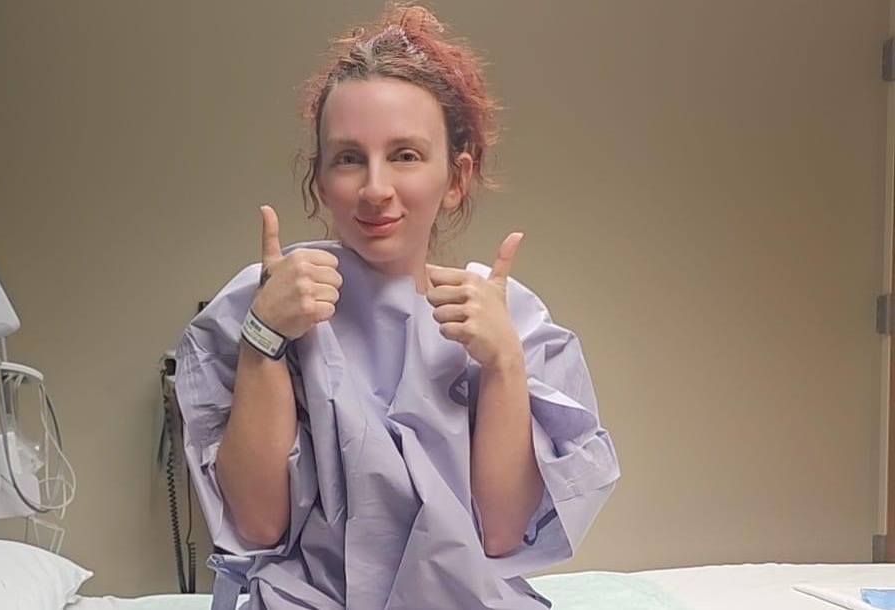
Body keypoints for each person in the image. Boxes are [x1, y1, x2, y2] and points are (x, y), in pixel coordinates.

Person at [172, 5, 619, 609]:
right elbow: (256, 527)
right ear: (321, 179)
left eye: (405, 155)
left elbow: (501, 533)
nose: (376, 189)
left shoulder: (512, 320)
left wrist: (504, 364)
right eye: (349, 158)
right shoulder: (263, 304)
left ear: (455, 178)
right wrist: (264, 340)